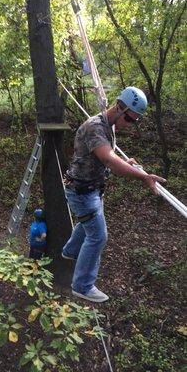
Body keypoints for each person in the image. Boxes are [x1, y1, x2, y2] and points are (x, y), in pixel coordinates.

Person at [62, 86, 166, 303]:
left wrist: (126, 163)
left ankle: (70, 251)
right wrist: (144, 178)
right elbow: (109, 159)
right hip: (82, 192)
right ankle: (82, 285)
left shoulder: (108, 126)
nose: (130, 124)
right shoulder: (95, 127)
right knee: (98, 236)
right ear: (119, 108)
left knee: (86, 224)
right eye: (129, 119)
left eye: (135, 121)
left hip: (91, 189)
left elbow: (104, 158)